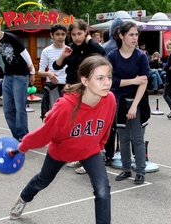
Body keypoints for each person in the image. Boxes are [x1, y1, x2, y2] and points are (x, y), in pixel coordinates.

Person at [9, 55, 120, 224]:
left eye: (109, 77)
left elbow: (106, 128)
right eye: (100, 78)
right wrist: (22, 146)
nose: (107, 82)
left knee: (103, 189)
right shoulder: (66, 107)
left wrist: (99, 145)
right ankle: (23, 198)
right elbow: (43, 134)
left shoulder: (110, 100)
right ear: (85, 80)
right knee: (43, 180)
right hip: (61, 151)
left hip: (89, 150)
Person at [53, 19, 106, 174]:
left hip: (86, 90)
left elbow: (103, 53)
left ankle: (90, 158)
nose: (76, 37)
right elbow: (57, 66)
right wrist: (63, 54)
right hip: (71, 89)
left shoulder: (91, 48)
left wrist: (89, 40)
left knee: (87, 125)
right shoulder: (70, 48)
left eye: (80, 33)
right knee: (75, 125)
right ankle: (79, 155)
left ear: (85, 33)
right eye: (74, 34)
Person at [107, 21, 150, 185]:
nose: (135, 38)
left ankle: (140, 171)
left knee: (137, 139)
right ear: (121, 36)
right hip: (119, 102)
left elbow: (143, 82)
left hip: (137, 102)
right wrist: (133, 80)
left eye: (136, 34)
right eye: (131, 34)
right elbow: (111, 81)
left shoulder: (141, 56)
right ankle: (126, 169)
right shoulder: (112, 56)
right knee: (123, 138)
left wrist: (134, 106)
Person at [0, 23, 35, 142]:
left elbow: (25, 53)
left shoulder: (11, 37)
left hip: (20, 74)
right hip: (8, 75)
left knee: (20, 107)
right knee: (7, 108)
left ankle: (23, 136)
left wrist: (32, 72)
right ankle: (16, 135)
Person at [102, 18, 124, 166]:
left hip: (107, 90)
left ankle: (108, 154)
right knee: (121, 126)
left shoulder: (104, 48)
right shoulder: (122, 47)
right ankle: (120, 154)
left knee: (108, 125)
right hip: (121, 90)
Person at [38, 24, 67, 121]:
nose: (60, 37)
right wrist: (48, 74)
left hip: (68, 87)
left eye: (63, 34)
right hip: (53, 86)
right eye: (57, 34)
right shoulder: (46, 51)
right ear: (52, 35)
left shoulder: (69, 50)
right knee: (55, 115)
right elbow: (40, 72)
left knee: (68, 115)